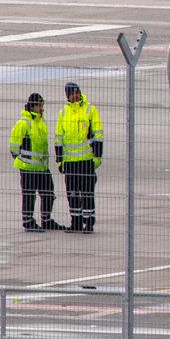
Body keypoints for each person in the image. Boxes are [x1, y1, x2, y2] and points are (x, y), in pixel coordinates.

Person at [55, 80, 103, 233]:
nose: (75, 96)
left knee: (88, 193)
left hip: (86, 160)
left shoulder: (90, 110)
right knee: (72, 194)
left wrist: (97, 156)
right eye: (72, 94)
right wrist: (59, 160)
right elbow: (58, 138)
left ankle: (89, 222)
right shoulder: (63, 112)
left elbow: (98, 134)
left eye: (77, 92)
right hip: (70, 162)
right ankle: (75, 222)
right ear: (67, 96)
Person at [9, 93, 60, 233]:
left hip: (42, 167)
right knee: (29, 195)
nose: (42, 108)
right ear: (32, 106)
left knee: (48, 193)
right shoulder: (23, 123)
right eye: (39, 105)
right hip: (28, 167)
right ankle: (28, 221)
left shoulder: (41, 121)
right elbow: (13, 145)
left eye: (42, 105)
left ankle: (46, 220)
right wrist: (20, 160)